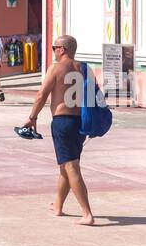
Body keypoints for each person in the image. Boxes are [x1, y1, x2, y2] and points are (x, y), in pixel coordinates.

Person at [22, 35, 95, 225]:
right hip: (80, 123)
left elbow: (41, 94)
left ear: (62, 49)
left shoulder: (55, 68)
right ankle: (58, 206)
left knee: (71, 167)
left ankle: (87, 213)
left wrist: (32, 117)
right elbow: (94, 97)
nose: (53, 50)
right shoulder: (85, 69)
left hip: (62, 122)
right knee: (66, 165)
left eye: (54, 47)